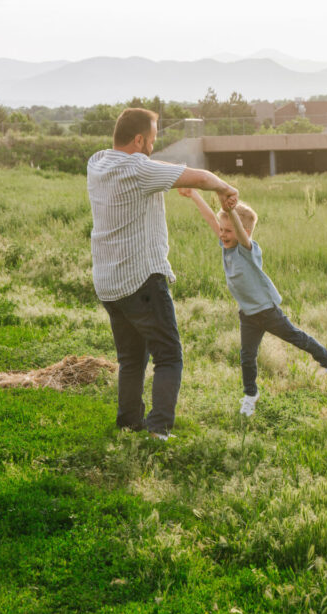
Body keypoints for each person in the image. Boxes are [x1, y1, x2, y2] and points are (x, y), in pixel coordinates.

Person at [87, 107, 239, 439]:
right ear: (139, 139)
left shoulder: (96, 163)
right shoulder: (139, 169)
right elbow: (198, 176)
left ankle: (128, 423)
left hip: (109, 283)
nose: (154, 146)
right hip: (141, 279)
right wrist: (225, 188)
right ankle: (158, 431)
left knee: (131, 359)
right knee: (169, 357)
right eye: (153, 139)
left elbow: (167, 174)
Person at [177, 188, 327, 416]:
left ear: (243, 232)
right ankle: (250, 394)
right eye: (222, 230)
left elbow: (238, 231)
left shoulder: (247, 250)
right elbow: (211, 219)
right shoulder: (226, 246)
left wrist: (230, 210)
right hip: (248, 314)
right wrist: (194, 195)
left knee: (297, 338)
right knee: (247, 357)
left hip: (267, 311)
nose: (222, 234)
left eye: (228, 231)